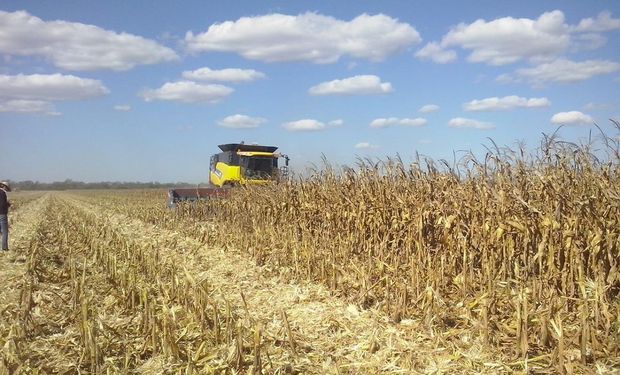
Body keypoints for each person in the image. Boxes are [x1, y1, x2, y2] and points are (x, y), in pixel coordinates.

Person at [0, 181, 11, 251]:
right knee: (5, 231)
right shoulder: (2, 193)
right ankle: (4, 248)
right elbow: (2, 204)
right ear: (4, 186)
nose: (6, 189)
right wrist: (8, 204)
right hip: (2, 214)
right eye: (6, 187)